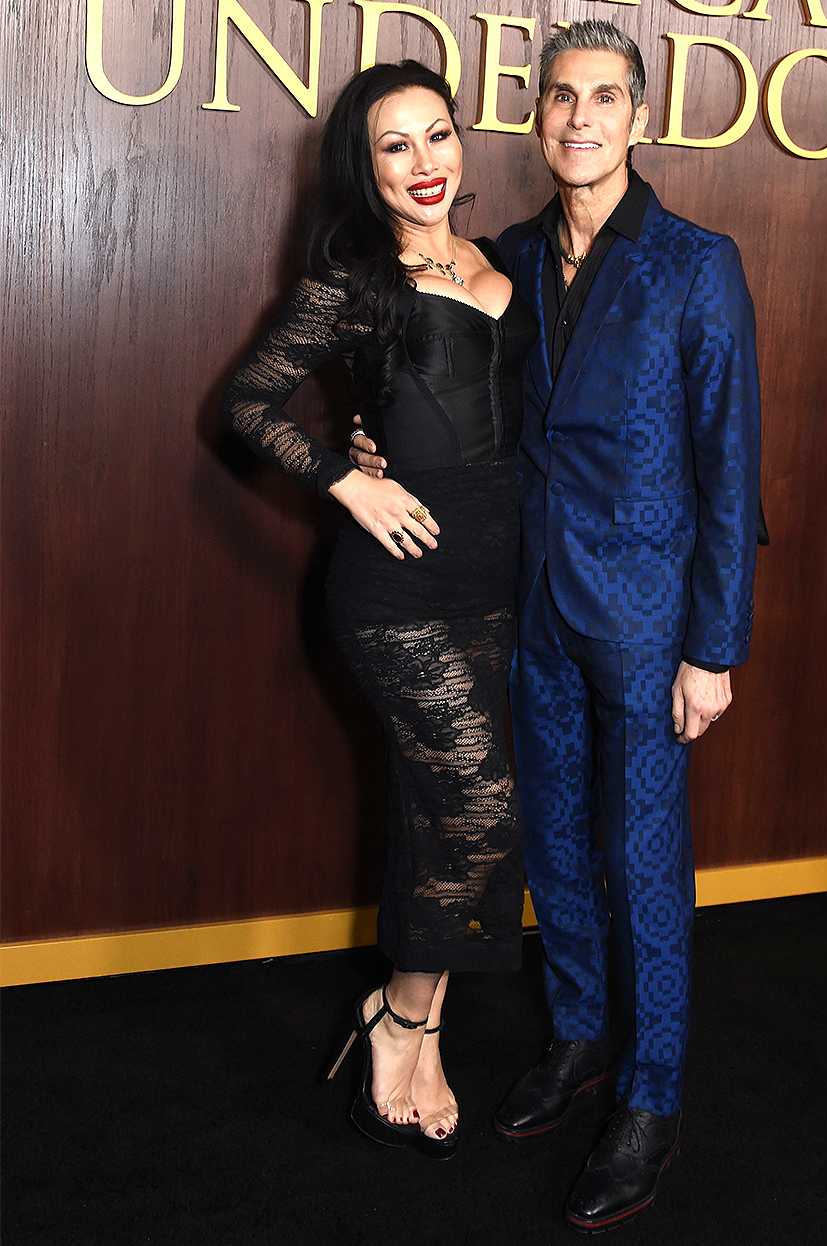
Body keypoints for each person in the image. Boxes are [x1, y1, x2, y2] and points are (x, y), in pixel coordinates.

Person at [352, 20, 761, 1227]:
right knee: (555, 846)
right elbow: (450, 397)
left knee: (643, 864)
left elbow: (728, 466)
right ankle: (580, 1035)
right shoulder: (509, 256)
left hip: (646, 621)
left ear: (640, 118)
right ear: (536, 123)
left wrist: (714, 644)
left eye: (604, 99)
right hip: (525, 601)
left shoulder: (697, 264)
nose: (578, 119)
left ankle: (650, 1093)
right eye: (557, 101)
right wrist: (373, 445)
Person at [220, 60, 537, 1159]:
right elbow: (249, 402)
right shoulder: (355, 278)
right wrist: (348, 477)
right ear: (363, 167)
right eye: (393, 145)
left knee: (435, 811)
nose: (423, 163)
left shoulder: (508, 264)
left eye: (437, 135)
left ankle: (416, 1026)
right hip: (396, 593)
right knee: (483, 812)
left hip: (498, 584)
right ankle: (404, 1012)